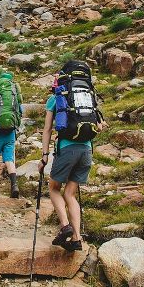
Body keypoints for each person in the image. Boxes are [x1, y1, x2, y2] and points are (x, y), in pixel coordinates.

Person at [38, 61, 106, 251]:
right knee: (70, 193)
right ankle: (77, 238)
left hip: (67, 148)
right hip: (86, 151)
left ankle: (65, 227)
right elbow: (99, 126)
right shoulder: (88, 96)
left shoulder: (56, 98)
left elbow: (47, 130)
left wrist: (44, 156)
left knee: (53, 187)